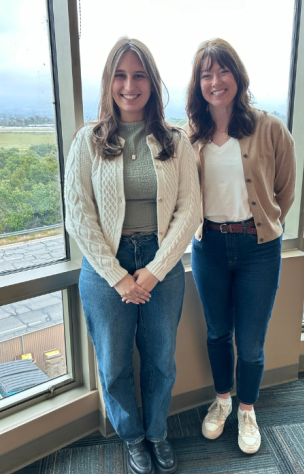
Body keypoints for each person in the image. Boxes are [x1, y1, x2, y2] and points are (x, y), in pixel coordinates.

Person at [64, 37, 200, 474]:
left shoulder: (175, 140)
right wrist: (120, 277)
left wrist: (156, 270)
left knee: (161, 359)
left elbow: (189, 209)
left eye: (139, 75)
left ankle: (157, 431)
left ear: (152, 83)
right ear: (109, 83)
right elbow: (78, 215)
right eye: (120, 75)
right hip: (106, 266)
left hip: (162, 262)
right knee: (114, 362)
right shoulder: (87, 141)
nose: (129, 85)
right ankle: (132, 437)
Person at [183, 38, 297, 455]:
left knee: (250, 341)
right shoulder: (189, 136)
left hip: (258, 248)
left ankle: (247, 409)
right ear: (198, 84)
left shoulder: (269, 127)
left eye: (222, 70)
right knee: (217, 333)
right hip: (208, 246)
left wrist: (264, 223)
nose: (215, 81)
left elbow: (284, 190)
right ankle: (222, 401)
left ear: (237, 75)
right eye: (206, 74)